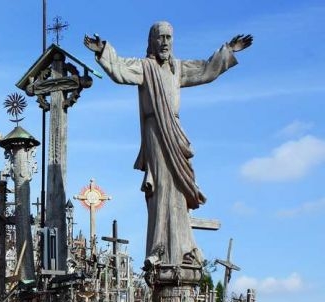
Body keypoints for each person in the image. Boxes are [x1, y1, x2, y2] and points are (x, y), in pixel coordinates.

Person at [84, 23, 252, 267]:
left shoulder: (179, 69)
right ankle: (159, 247)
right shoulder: (145, 67)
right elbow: (119, 70)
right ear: (152, 41)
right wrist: (103, 51)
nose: (164, 42)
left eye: (169, 38)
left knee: (180, 191)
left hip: (174, 131)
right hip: (156, 131)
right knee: (162, 186)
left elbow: (206, 69)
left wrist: (229, 50)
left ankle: (184, 246)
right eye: (160, 37)